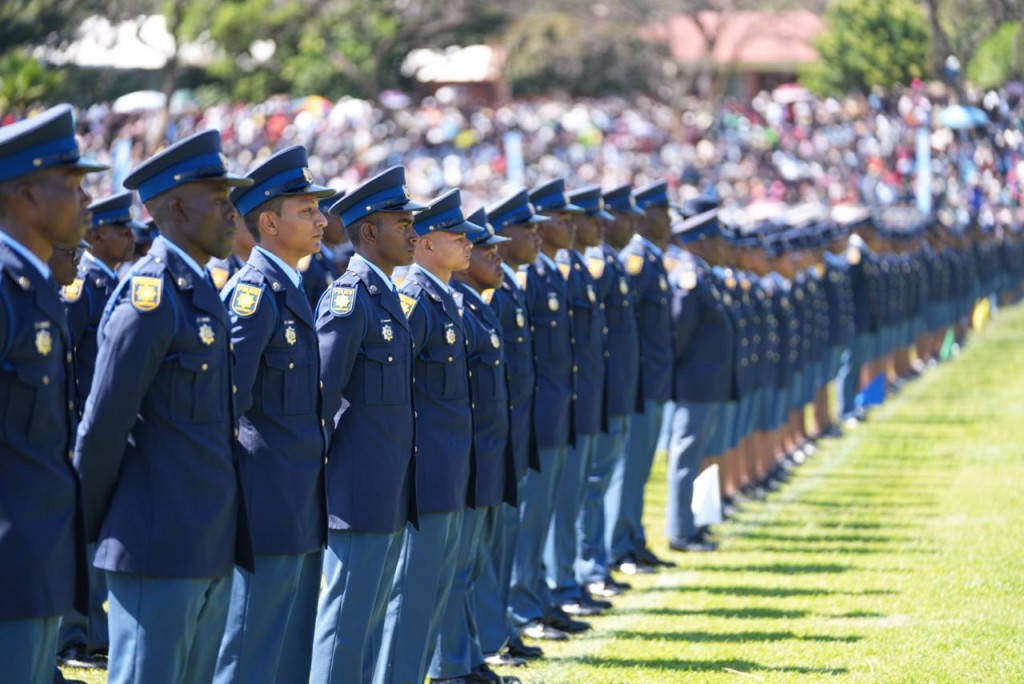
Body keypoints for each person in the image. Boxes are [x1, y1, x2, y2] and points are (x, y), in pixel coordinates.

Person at [74, 129, 255, 684]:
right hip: (154, 539)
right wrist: (93, 525)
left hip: (207, 537)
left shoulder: (197, 290)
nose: (232, 213)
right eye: (218, 199)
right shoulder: (150, 298)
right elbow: (103, 428)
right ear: (175, 207)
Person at [212, 145, 333, 683]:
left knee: (289, 641)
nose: (321, 220)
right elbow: (225, 402)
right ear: (268, 222)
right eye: (306, 211)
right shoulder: (254, 293)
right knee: (251, 640)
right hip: (264, 494)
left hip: (298, 491)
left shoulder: (292, 287)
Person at [0, 103, 106, 684]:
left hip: (39, 555)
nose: (87, 199)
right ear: (26, 196)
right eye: (71, 184)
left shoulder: (38, 285)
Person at [311, 166, 423, 684]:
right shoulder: (350, 298)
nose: (414, 234)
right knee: (346, 622)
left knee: (369, 620)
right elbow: (320, 400)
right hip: (356, 489)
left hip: (387, 482)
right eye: (403, 224)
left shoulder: (386, 296)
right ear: (371, 232)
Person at [376, 188, 477, 684]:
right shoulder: (414, 300)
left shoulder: (442, 297)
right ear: (428, 245)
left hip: (449, 463)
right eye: (457, 237)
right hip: (425, 468)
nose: (468, 244)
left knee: (435, 588)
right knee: (413, 592)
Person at [433, 202, 522, 684]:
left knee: (468, 565)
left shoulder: (473, 306)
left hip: (484, 454)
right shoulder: (456, 306)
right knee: (455, 570)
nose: (492, 257)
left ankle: (467, 659)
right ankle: (452, 666)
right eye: (486, 251)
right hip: (463, 456)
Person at [58, 192, 141, 670]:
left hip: (105, 428)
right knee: (79, 538)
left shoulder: (113, 281)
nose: (130, 236)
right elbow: (62, 354)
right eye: (120, 229)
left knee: (97, 535)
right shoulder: (83, 283)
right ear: (94, 235)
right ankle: (72, 636)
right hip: (79, 427)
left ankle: (92, 632)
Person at [503, 184, 589, 643]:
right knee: (529, 519)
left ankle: (540, 597)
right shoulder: (525, 280)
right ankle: (523, 606)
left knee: (547, 514)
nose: (540, 235)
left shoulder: (547, 274)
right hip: (532, 420)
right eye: (530, 227)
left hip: (554, 414)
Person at [482, 192, 543, 663]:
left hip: (512, 431)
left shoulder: (507, 288)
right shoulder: (488, 295)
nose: (536, 237)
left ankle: (499, 630)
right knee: (484, 551)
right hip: (487, 441)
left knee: (505, 541)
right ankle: (489, 637)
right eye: (528, 229)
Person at [546, 182, 609, 618]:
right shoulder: (558, 272)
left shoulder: (574, 269)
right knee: (559, 503)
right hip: (555, 408)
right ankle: (559, 586)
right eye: (565, 219)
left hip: (579, 400)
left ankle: (567, 581)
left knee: (573, 496)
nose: (573, 227)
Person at [609, 181, 675, 574]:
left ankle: (633, 538)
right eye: (662, 213)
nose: (669, 221)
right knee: (628, 469)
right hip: (638, 381)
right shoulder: (635, 260)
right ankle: (620, 546)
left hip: (653, 381)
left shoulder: (649, 257)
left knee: (640, 469)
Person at [579, 185, 642, 598]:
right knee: (594, 481)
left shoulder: (611, 263)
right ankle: (589, 567)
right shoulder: (596, 264)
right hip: (599, 390)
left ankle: (597, 562)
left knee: (603, 477)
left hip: (616, 387)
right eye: (598, 219)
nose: (604, 227)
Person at [664, 199, 734, 551]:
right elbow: (679, 332)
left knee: (701, 454)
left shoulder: (705, 275)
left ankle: (697, 521)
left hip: (709, 382)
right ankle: (680, 531)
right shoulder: (690, 277)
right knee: (686, 457)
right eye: (717, 241)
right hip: (695, 382)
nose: (724, 248)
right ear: (702, 242)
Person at [298, 189, 346, 310]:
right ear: (324, 219)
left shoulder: (330, 257)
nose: (344, 224)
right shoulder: (310, 262)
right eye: (339, 218)